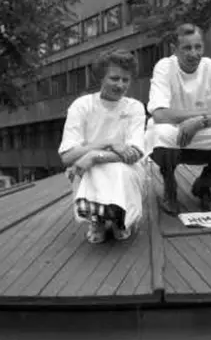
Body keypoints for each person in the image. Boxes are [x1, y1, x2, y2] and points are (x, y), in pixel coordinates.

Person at [147, 23, 211, 214]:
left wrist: (201, 121)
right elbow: (159, 114)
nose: (194, 54)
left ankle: (204, 186)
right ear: (174, 49)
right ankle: (170, 186)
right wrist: (206, 112)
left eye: (198, 47)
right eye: (187, 48)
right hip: (175, 133)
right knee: (159, 132)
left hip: (203, 132)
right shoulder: (164, 67)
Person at [58, 49, 146, 245]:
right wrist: (106, 144)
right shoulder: (82, 106)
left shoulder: (135, 107)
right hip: (86, 170)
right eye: (114, 78)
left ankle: (119, 219)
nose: (120, 85)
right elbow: (67, 156)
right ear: (101, 77)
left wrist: (93, 157)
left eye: (125, 80)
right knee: (93, 171)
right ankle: (96, 220)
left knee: (116, 169)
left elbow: (135, 152)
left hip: (125, 169)